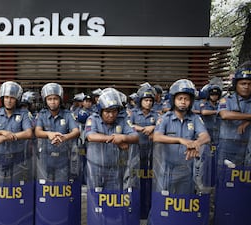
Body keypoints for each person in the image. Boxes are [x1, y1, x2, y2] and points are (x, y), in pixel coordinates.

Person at [148, 79, 211, 225]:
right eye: (180, 98)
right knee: (162, 204)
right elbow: (157, 136)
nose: (183, 102)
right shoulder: (165, 118)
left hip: (186, 171)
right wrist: (181, 140)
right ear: (173, 100)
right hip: (165, 171)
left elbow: (205, 136)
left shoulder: (195, 118)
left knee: (182, 204)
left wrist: (196, 143)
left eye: (187, 99)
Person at [0, 81, 34, 225]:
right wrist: (0, 132)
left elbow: (29, 133)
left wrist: (6, 137)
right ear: (2, 98)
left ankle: (17, 219)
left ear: (17, 99)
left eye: (12, 97)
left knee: (17, 192)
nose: (9, 100)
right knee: (1, 192)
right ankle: (1, 218)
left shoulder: (23, 114)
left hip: (19, 159)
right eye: (6, 97)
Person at [85, 88, 140, 225]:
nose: (111, 115)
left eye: (114, 111)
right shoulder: (93, 119)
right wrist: (115, 139)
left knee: (113, 201)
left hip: (116, 169)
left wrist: (123, 137)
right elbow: (91, 136)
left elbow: (135, 136)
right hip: (96, 169)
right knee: (96, 203)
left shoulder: (122, 119)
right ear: (101, 110)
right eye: (107, 112)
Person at [34, 82, 81, 225]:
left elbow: (76, 131)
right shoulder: (41, 115)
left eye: (55, 98)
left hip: (62, 162)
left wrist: (65, 137)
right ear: (45, 100)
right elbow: (37, 131)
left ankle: (60, 218)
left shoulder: (67, 115)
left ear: (60, 99)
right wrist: (49, 134)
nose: (53, 102)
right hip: (44, 161)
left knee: (60, 192)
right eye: (49, 99)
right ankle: (47, 217)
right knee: (45, 192)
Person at [214, 62, 251, 225]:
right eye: (243, 83)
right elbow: (225, 115)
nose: (247, 87)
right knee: (224, 185)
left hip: (247, 151)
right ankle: (221, 216)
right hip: (227, 149)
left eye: (250, 84)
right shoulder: (225, 99)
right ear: (236, 84)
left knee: (245, 187)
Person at [129, 84, 159, 221]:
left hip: (152, 152)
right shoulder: (133, 113)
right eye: (146, 100)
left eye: (150, 100)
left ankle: (149, 209)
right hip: (136, 152)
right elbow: (128, 125)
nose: (148, 103)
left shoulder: (156, 114)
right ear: (140, 100)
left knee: (150, 181)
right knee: (136, 180)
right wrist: (142, 129)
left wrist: (152, 126)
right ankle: (137, 209)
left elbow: (161, 125)